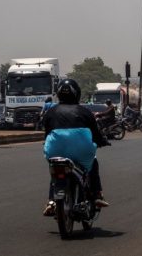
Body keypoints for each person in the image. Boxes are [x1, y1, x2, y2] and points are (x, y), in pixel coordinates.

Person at [42, 79, 109, 216]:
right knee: (93, 163)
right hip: (82, 152)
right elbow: (96, 134)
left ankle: (51, 201)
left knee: (55, 170)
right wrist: (102, 141)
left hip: (54, 150)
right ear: (77, 94)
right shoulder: (85, 112)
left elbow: (47, 133)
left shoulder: (50, 112)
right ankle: (96, 195)